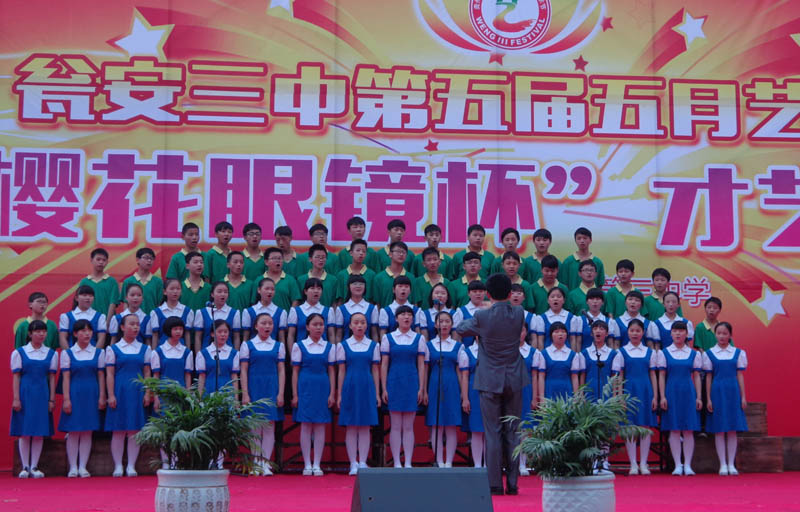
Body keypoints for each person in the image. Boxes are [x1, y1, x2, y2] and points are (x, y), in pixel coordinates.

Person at [455, 273, 527, 496]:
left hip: (489, 378)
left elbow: (460, 328)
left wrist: (484, 308)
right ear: (510, 293)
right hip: (514, 377)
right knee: (512, 431)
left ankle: (495, 483)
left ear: (487, 293)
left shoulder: (482, 316)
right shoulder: (519, 313)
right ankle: (513, 483)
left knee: (493, 432)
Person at [104, 314, 152, 477]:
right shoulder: (113, 349)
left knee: (134, 430)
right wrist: (111, 395)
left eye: (137, 324)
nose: (135, 327)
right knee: (118, 430)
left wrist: (147, 392)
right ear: (122, 327)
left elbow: (147, 372)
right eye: (131, 324)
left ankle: (131, 465)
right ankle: (118, 465)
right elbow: (110, 374)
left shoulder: (145, 349)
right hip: (120, 391)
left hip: (137, 392)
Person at [380, 305, 427, 469]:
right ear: (396, 319)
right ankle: (396, 462)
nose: (406, 317)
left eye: (409, 315)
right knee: (395, 425)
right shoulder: (388, 338)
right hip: (394, 382)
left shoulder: (419, 338)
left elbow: (421, 365)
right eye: (403, 315)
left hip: (411, 382)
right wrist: (384, 388)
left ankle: (408, 462)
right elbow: (384, 365)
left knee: (408, 426)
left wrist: (421, 388)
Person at [59, 319, 106, 478]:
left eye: (89, 331)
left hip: (92, 394)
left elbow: (101, 376)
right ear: (75, 334)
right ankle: (73, 467)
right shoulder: (67, 353)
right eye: (83, 331)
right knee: (74, 431)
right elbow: (66, 378)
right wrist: (66, 399)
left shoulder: (99, 353)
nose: (87, 334)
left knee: (87, 431)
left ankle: (83, 466)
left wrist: (102, 396)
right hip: (75, 393)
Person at [10, 320, 57, 479]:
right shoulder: (20, 352)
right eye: (37, 331)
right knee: (25, 431)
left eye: (44, 331)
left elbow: (52, 378)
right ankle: (25, 467)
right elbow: (16, 377)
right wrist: (16, 398)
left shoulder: (51, 353)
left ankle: (35, 466)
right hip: (25, 394)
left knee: (39, 431)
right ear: (30, 334)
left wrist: (51, 400)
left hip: (42, 395)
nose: (41, 334)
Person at [611, 318, 658, 475]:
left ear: (643, 333)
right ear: (627, 332)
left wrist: (655, 396)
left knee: (645, 427)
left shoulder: (650, 352)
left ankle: (644, 463)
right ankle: (633, 463)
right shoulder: (621, 352)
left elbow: (653, 375)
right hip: (629, 390)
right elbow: (619, 376)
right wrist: (619, 396)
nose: (635, 333)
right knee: (630, 427)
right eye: (632, 331)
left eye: (638, 331)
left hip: (646, 390)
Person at [291, 314, 336, 476]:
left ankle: (317, 463)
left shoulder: (330, 347)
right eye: (315, 324)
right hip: (305, 387)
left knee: (320, 425)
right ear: (307, 327)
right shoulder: (299, 345)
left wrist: (332, 393)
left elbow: (332, 371)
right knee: (306, 425)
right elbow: (295, 372)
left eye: (321, 325)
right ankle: (307, 463)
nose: (318, 328)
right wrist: (295, 394)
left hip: (322, 386)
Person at [241, 313, 285, 476]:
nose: (267, 326)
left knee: (268, 427)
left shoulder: (278, 346)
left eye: (270, 323)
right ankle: (255, 462)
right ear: (256, 326)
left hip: (271, 387)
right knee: (254, 427)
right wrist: (245, 393)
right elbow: (243, 370)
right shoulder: (248, 345)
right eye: (264, 323)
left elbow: (281, 370)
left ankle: (266, 462)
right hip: (254, 387)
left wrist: (280, 393)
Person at [336, 312, 380, 475]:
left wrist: (377, 393)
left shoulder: (374, 345)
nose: (359, 325)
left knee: (365, 426)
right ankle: (352, 463)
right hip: (350, 385)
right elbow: (341, 371)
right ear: (350, 325)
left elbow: (375, 370)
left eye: (362, 322)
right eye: (356, 322)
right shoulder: (343, 345)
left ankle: (362, 461)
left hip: (367, 386)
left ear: (367, 325)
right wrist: (339, 394)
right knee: (351, 426)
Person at [658, 321, 702, 476]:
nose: (678, 334)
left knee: (689, 430)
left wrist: (699, 397)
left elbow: (697, 376)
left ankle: (688, 465)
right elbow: (661, 376)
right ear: (671, 334)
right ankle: (678, 465)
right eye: (675, 331)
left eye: (681, 331)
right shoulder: (663, 353)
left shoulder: (694, 354)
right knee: (675, 429)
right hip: (671, 392)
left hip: (688, 392)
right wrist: (662, 396)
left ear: (686, 334)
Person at [703, 322, 748, 476]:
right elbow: (708, 377)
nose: (721, 336)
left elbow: (740, 375)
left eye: (725, 333)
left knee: (732, 430)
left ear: (730, 335)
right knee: (719, 429)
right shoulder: (709, 354)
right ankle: (722, 464)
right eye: (719, 333)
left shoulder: (738, 353)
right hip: (717, 391)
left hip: (733, 392)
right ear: (715, 335)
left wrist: (743, 396)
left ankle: (731, 464)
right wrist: (708, 398)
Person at [150, 316, 193, 470]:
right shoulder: (158, 351)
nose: (178, 332)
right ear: (169, 331)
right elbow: (155, 377)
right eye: (175, 329)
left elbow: (188, 375)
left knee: (178, 428)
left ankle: (176, 461)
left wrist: (188, 395)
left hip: (179, 394)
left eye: (180, 329)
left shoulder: (187, 352)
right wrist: (156, 397)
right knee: (165, 429)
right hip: (164, 394)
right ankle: (166, 461)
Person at [425, 311, 465, 468]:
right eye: (441, 321)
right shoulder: (429, 345)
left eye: (447, 321)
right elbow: (425, 369)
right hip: (434, 384)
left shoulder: (458, 346)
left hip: (452, 384)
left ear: (452, 324)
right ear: (436, 325)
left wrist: (462, 392)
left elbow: (460, 371)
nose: (444, 324)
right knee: (437, 424)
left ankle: (449, 461)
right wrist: (424, 390)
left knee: (450, 425)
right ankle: (439, 460)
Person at [287, 278, 337, 354]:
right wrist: (292, 355)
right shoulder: (296, 311)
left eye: (319, 288)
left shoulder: (328, 311)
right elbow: (291, 335)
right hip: (301, 353)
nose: (316, 291)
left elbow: (331, 335)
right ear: (305, 291)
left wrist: (332, 353)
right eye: (312, 288)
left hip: (323, 353)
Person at [537, 322, 583, 401]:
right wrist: (542, 398)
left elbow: (574, 377)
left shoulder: (573, 355)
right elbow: (541, 377)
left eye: (563, 332)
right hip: (549, 390)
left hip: (567, 391)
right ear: (551, 335)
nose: (560, 334)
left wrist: (576, 398)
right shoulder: (543, 354)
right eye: (556, 332)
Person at [458, 334, 484, 468]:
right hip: (474, 393)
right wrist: (465, 398)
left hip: (491, 392)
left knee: (490, 431)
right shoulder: (467, 352)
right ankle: (477, 464)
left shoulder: (494, 350)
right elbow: (464, 377)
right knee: (476, 430)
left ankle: (488, 465)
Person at [193, 282, 241, 351]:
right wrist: (198, 354)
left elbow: (236, 337)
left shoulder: (234, 313)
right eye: (219, 291)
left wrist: (236, 354)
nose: (223, 294)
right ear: (212, 294)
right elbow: (198, 337)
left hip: (228, 352)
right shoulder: (202, 312)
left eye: (225, 292)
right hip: (207, 352)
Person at [518, 324, 539, 477]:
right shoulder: (506, 350)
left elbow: (535, 376)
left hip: (526, 390)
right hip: (510, 391)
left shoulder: (533, 352)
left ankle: (522, 463)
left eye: (522, 330)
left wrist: (534, 396)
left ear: (526, 333)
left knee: (525, 429)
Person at [196, 320, 240, 394]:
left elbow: (234, 377)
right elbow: (202, 377)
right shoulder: (203, 353)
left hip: (228, 393)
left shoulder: (234, 353)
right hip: (209, 391)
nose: (223, 334)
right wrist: (199, 397)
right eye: (219, 332)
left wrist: (236, 397)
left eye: (225, 332)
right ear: (212, 334)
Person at [78, 248, 119, 326]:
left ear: (107, 262)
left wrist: (107, 323)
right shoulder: (84, 282)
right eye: (98, 259)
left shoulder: (112, 282)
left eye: (104, 260)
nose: (101, 262)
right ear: (91, 260)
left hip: (106, 323)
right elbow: (81, 304)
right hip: (87, 323)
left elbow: (113, 304)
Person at [241, 278, 288, 343]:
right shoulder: (248, 312)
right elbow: (246, 337)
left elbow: (281, 338)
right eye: (267, 289)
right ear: (259, 290)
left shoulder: (281, 312)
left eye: (272, 289)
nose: (270, 292)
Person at [335, 275, 380, 343]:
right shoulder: (341, 309)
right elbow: (339, 334)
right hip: (346, 346)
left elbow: (374, 333)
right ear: (348, 287)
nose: (358, 286)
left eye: (361, 284)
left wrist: (375, 347)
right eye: (354, 284)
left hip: (367, 346)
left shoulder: (372, 308)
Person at [150, 279, 193, 346]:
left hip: (181, 349)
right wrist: (154, 351)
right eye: (172, 289)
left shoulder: (187, 311)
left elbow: (187, 334)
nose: (175, 291)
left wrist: (188, 351)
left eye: (178, 289)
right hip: (162, 350)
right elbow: (155, 335)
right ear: (165, 292)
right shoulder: (156, 313)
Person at [120, 247, 163, 315]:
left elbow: (159, 304)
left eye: (151, 258)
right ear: (137, 260)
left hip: (152, 318)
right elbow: (126, 304)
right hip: (132, 319)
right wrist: (127, 318)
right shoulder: (128, 281)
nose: (149, 260)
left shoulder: (158, 282)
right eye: (146, 258)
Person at [573, 288, 617, 352]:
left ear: (603, 302)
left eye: (598, 299)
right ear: (587, 302)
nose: (595, 301)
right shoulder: (579, 320)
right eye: (592, 299)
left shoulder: (610, 322)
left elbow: (610, 343)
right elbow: (578, 342)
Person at [372, 241, 413, 308]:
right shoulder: (379, 278)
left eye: (403, 252)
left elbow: (414, 302)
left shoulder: (411, 277)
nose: (401, 254)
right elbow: (377, 304)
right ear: (390, 254)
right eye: (398, 251)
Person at [335, 239, 376, 303]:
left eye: (364, 251)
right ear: (351, 253)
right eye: (358, 250)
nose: (361, 253)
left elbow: (372, 300)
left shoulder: (372, 275)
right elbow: (340, 299)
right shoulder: (342, 275)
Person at [262, 247, 302, 312]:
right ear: (266, 262)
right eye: (274, 258)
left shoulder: (291, 280)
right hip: (263, 317)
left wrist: (290, 316)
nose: (277, 261)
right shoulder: (259, 280)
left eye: (279, 258)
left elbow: (296, 301)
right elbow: (254, 302)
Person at [451, 280, 488, 347]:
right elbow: (456, 334)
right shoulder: (461, 311)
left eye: (481, 291)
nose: (478, 294)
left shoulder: (489, 310)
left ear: (485, 293)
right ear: (468, 293)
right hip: (466, 350)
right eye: (474, 291)